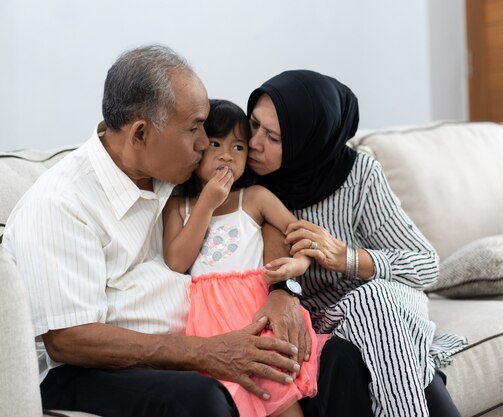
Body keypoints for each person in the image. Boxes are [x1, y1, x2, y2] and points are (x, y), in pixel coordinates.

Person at [2, 45, 374, 417]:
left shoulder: (171, 175)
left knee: (340, 359)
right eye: (194, 128)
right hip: (90, 369)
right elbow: (69, 341)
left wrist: (281, 289)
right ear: (141, 133)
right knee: (203, 398)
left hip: (211, 329)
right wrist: (207, 352)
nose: (203, 144)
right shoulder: (60, 204)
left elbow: (258, 215)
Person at [246, 69, 468, 417]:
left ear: (309, 140)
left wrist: (346, 258)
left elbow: (427, 266)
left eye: (273, 137)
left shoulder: (359, 174)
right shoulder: (251, 187)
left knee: (373, 299)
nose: (254, 143)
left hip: (389, 308)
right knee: (376, 315)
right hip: (325, 323)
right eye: (253, 125)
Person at [162, 99, 329, 417]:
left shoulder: (255, 198)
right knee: (234, 396)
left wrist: (299, 265)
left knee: (276, 389)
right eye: (215, 144)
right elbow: (176, 262)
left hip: (257, 311)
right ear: (196, 147)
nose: (226, 154)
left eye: (238, 147)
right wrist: (206, 204)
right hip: (210, 322)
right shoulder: (178, 206)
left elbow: (303, 235)